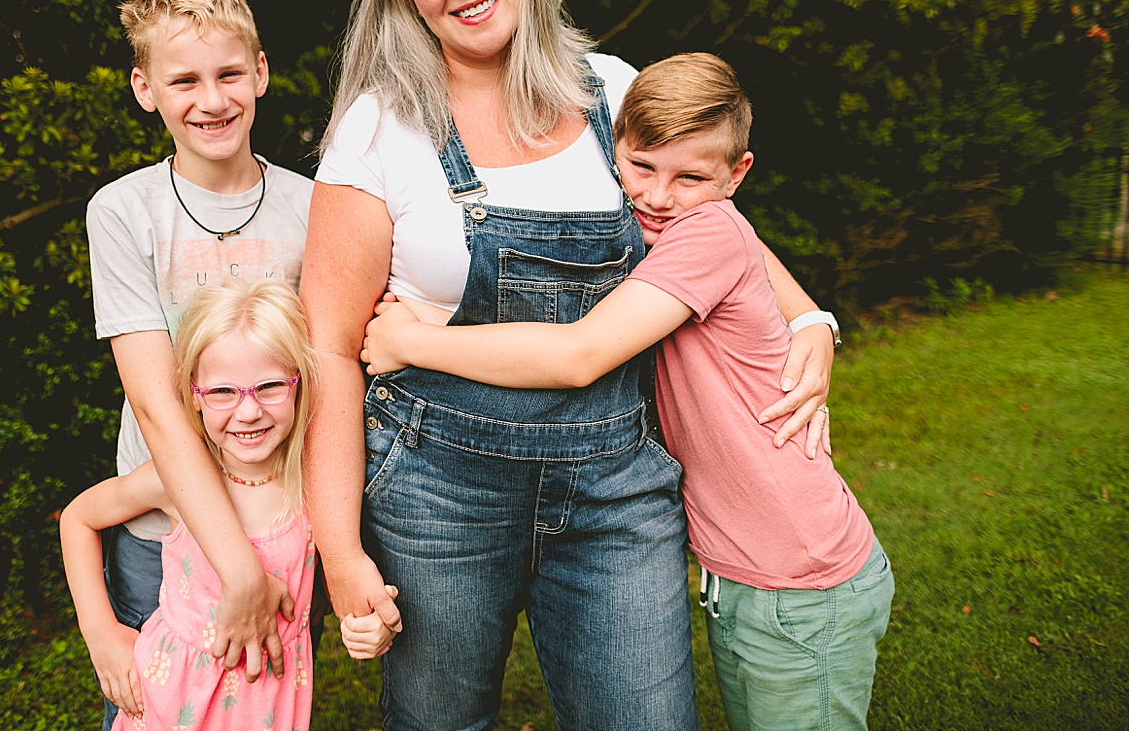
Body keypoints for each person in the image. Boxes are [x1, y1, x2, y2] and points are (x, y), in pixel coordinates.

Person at [298, 0, 839, 731]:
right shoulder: (379, 127)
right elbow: (328, 348)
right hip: (441, 490)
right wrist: (341, 546)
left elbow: (709, 231)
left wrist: (809, 316)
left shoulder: (614, 93)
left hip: (618, 485)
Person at [362, 53, 894, 731]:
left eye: (690, 177)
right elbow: (545, 319)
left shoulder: (704, 233)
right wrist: (813, 316)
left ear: (738, 175)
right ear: (613, 146)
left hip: (799, 574)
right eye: (642, 167)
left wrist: (413, 343)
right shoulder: (668, 234)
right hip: (751, 572)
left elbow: (581, 353)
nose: (657, 196)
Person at [84, 0, 316, 730]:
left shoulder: (315, 207)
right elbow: (155, 400)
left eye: (228, 74)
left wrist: (266, 559)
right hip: (162, 537)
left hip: (280, 528)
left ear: (261, 72)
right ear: (144, 87)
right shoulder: (124, 211)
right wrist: (231, 566)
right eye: (183, 80)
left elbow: (325, 377)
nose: (211, 101)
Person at [62, 278, 390, 731]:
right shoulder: (179, 482)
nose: (248, 411)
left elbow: (353, 593)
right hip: (173, 702)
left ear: (300, 382)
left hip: (270, 703)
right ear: (191, 394)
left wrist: (371, 629)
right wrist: (101, 633)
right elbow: (78, 518)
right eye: (222, 392)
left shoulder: (316, 485)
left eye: (270, 385)